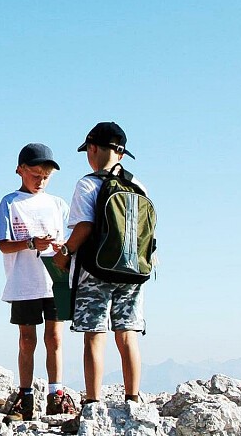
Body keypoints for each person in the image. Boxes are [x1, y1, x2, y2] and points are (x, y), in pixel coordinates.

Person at [55, 122, 147, 415]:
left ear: (93, 149)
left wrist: (66, 252)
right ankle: (133, 399)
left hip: (95, 271)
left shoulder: (87, 183)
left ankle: (93, 403)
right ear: (121, 153)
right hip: (132, 272)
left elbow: (84, 225)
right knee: (128, 333)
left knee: (94, 335)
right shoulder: (138, 186)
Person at [0, 143, 77, 421]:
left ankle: (56, 394)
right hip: (23, 281)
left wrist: (62, 247)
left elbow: (70, 236)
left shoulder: (58, 204)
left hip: (55, 278)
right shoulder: (11, 202)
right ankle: (25, 395)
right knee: (27, 339)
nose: (40, 181)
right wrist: (31, 243)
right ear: (21, 171)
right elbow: (2, 244)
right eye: (35, 174)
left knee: (55, 338)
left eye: (46, 176)